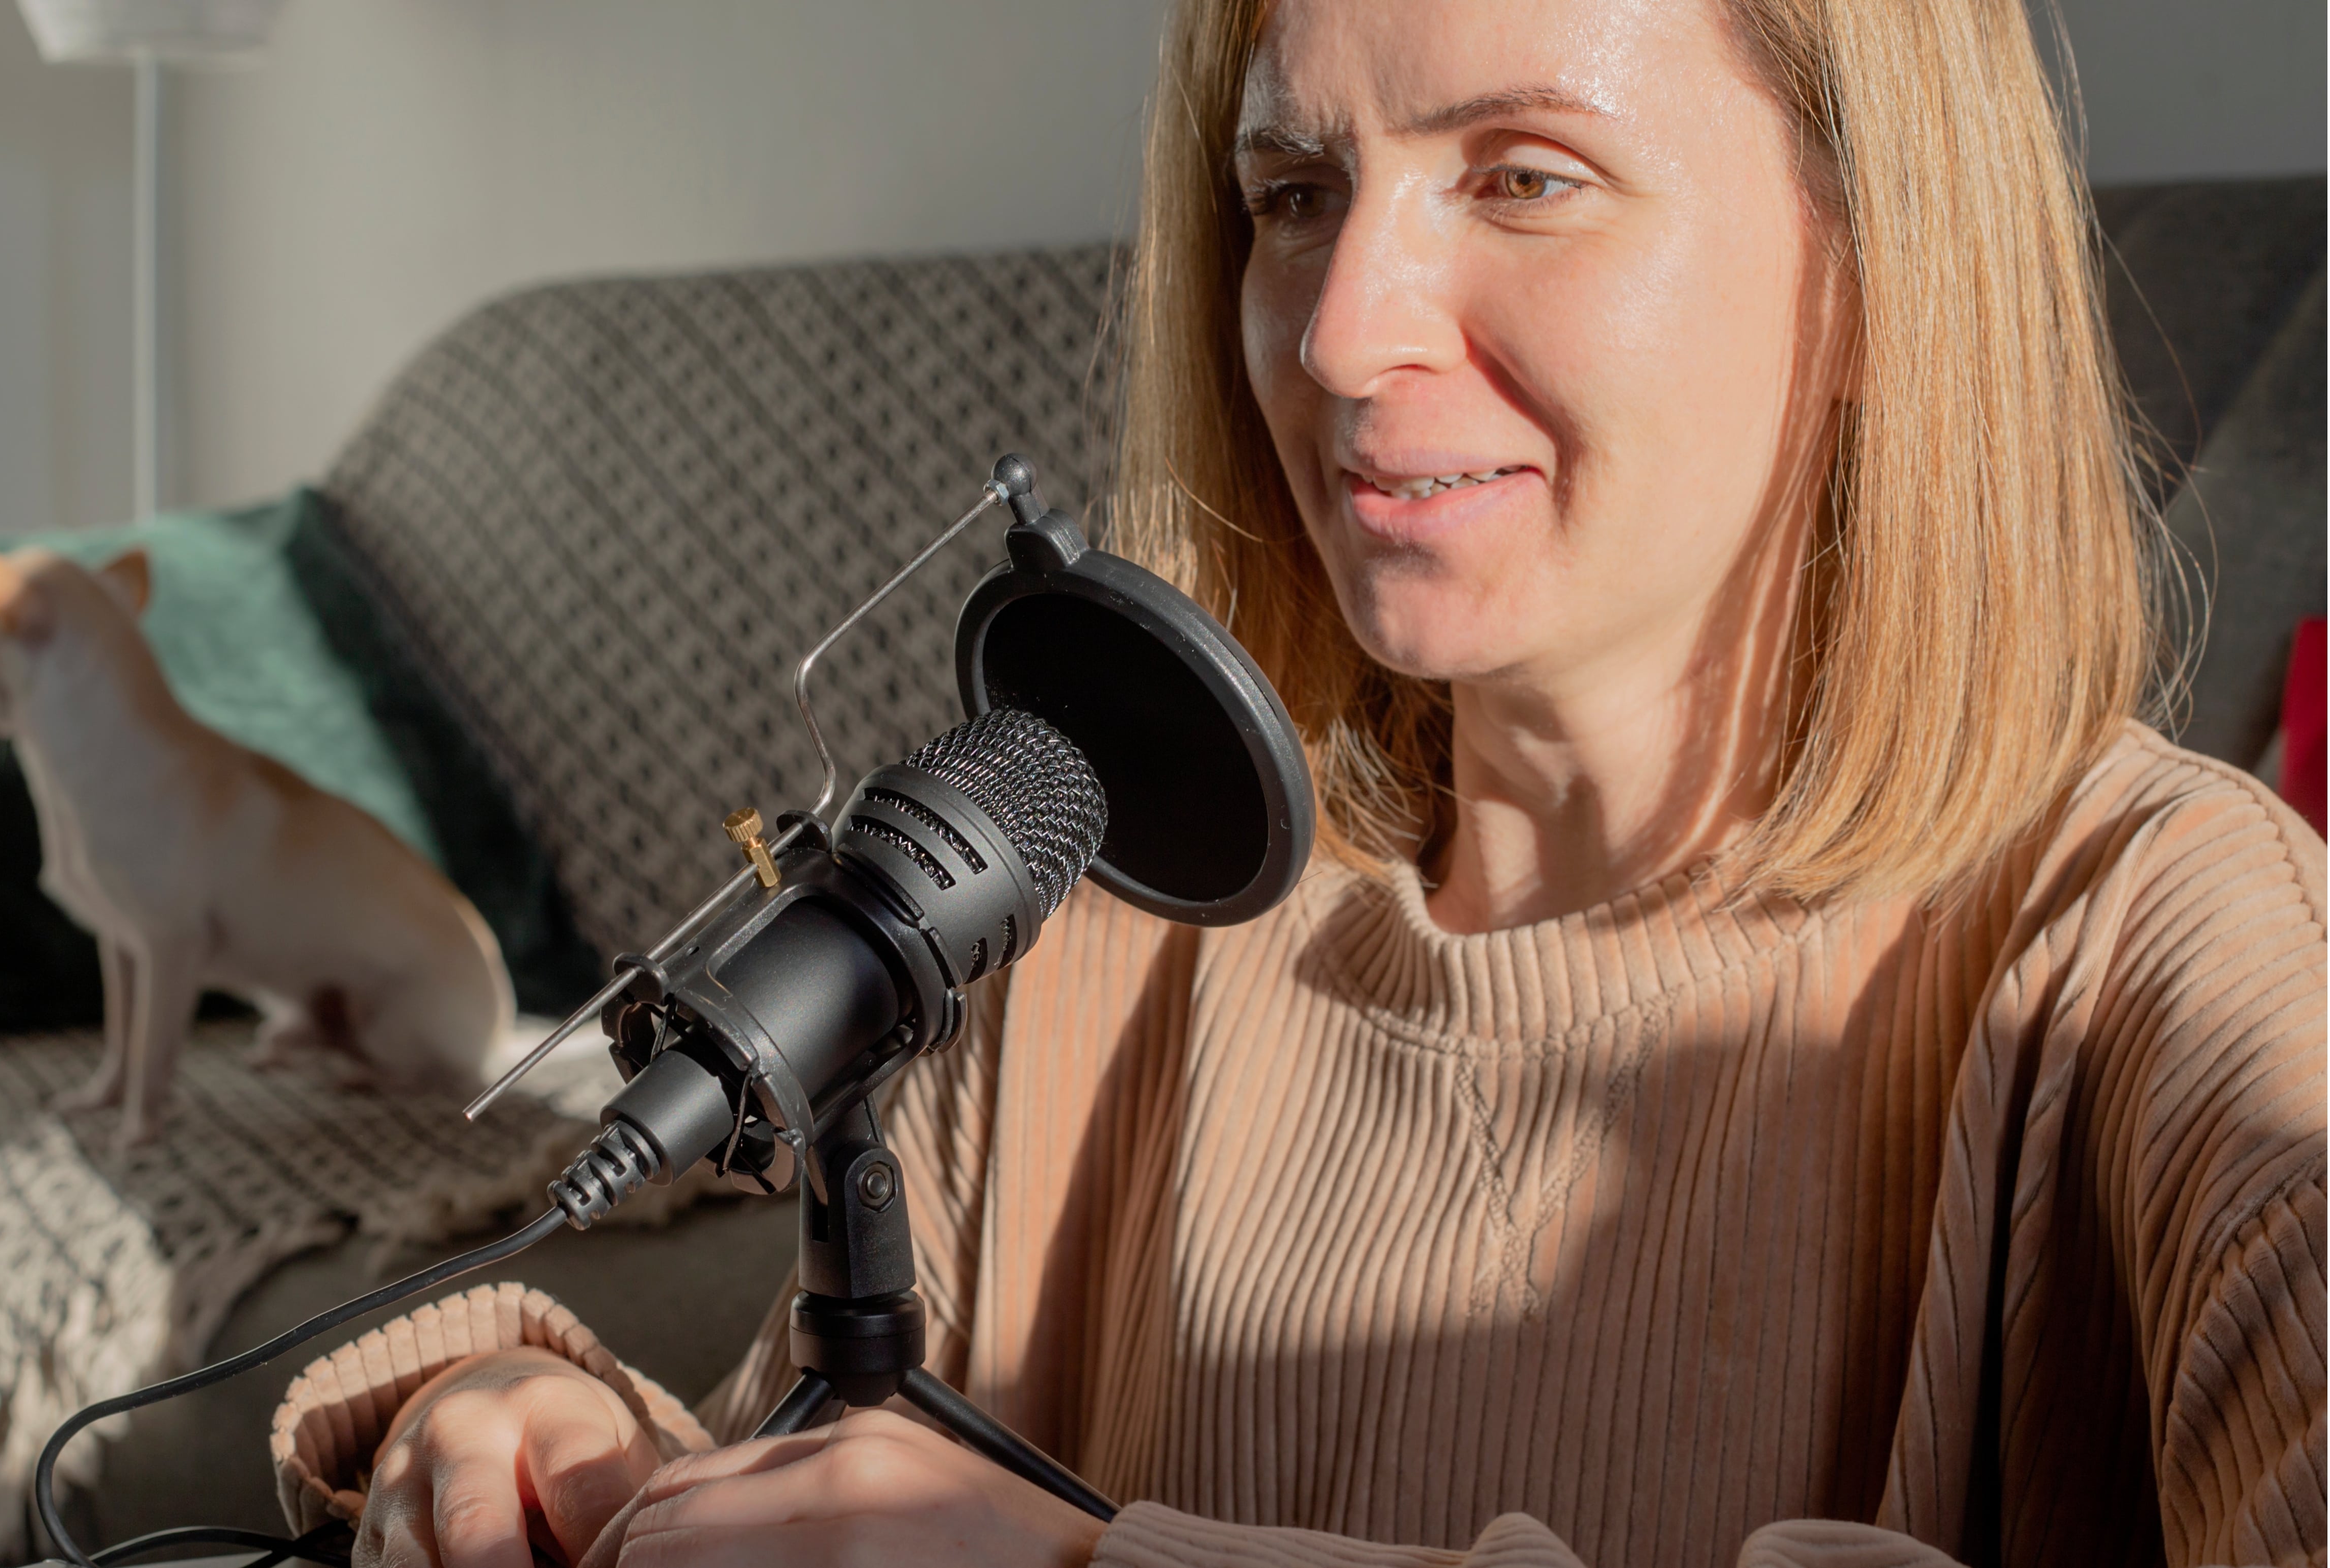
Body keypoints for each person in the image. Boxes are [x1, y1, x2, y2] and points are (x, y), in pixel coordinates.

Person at [265, 0, 2328, 1562]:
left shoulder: (2156, 941)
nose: (1337, 336)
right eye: (1292, 194)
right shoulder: (1100, 931)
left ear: (1872, 262)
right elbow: (818, 1473)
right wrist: (546, 1429)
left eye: (1523, 173)